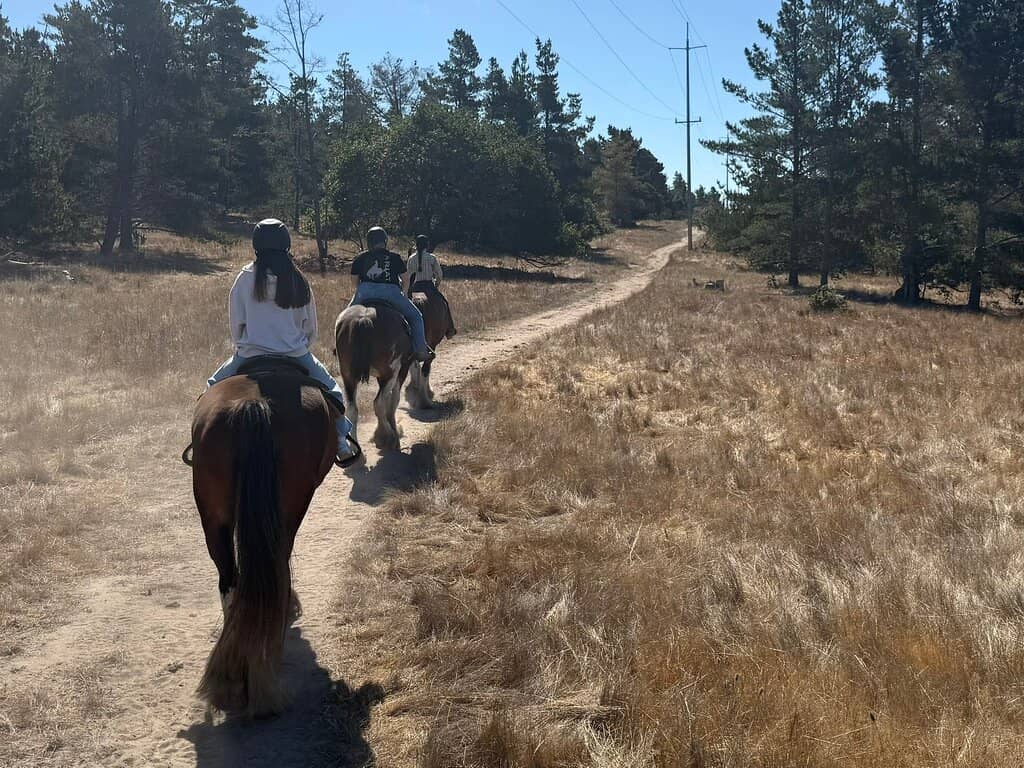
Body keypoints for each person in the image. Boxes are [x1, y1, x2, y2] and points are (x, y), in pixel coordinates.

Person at [207, 218, 358, 464]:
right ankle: (342, 442)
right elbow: (311, 329)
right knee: (334, 392)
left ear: (256, 245)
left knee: (211, 388)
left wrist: (247, 344)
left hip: (249, 354)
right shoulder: (298, 279)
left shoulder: (245, 278)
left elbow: (236, 326)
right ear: (287, 245)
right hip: (295, 354)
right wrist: (296, 345)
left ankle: (203, 446)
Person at [350, 226, 434, 362]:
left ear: (369, 242)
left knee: (343, 318)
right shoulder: (394, 257)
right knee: (416, 316)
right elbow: (406, 279)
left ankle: (341, 349)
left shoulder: (360, 258)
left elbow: (354, 281)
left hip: (365, 291)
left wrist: (360, 293)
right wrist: (404, 293)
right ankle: (421, 350)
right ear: (385, 240)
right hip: (391, 292)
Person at [407, 234, 456, 338]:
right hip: (429, 286)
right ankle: (450, 330)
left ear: (416, 245)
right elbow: (439, 274)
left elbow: (408, 276)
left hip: (416, 288)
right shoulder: (431, 258)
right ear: (427, 245)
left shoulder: (411, 258)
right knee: (445, 303)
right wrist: (436, 285)